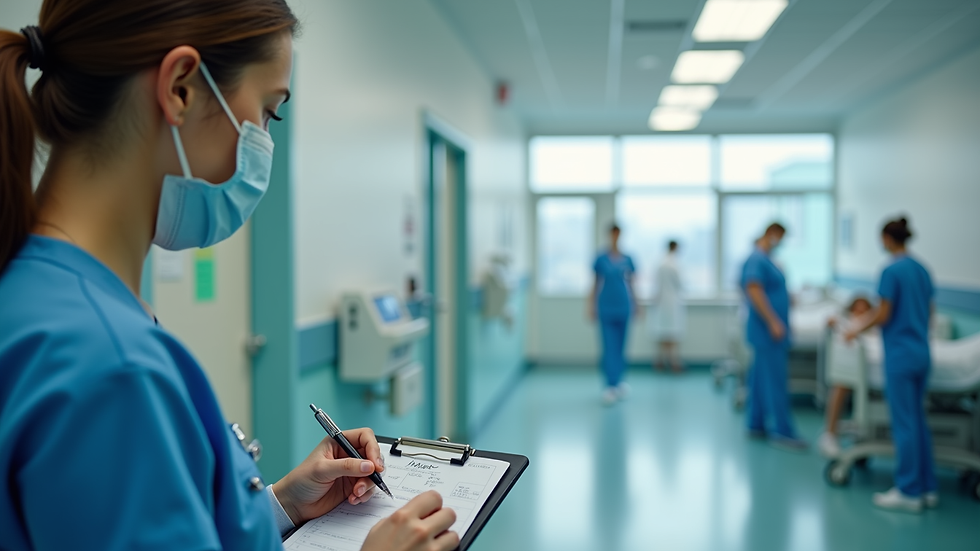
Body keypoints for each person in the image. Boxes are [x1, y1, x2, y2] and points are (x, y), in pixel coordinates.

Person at [0, 3, 458, 550]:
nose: (265, 139)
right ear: (181, 88)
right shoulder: (110, 367)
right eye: (268, 112)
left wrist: (282, 503)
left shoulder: (38, 295)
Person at [845, 217, 937, 513]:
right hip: (922, 352)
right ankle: (927, 488)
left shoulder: (890, 270)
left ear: (887, 238)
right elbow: (930, 313)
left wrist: (856, 328)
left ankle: (909, 491)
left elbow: (883, 314)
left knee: (905, 424)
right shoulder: (922, 269)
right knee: (919, 422)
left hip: (900, 355)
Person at [740, 223, 807, 451]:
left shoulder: (765, 259)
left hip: (767, 331)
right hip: (767, 331)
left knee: (759, 379)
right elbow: (754, 290)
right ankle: (782, 430)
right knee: (775, 381)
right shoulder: (758, 259)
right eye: (780, 237)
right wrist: (773, 321)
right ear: (771, 234)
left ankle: (756, 424)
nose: (781, 242)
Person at [818, 296, 874, 458]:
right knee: (840, 385)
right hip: (850, 364)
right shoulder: (845, 321)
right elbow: (832, 323)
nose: (860, 311)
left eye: (864, 308)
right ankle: (830, 434)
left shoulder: (873, 324)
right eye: (857, 307)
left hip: (868, 365)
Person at [588, 224, 638, 405]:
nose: (615, 237)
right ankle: (609, 385)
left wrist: (637, 304)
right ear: (609, 235)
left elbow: (632, 284)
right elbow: (595, 283)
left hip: (624, 306)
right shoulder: (601, 258)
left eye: (618, 234)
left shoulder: (628, 259)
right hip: (605, 307)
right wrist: (590, 306)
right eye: (612, 234)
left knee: (621, 346)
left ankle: (618, 382)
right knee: (609, 347)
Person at [650, 240, 685, 373]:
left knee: (663, 333)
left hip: (661, 302)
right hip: (673, 302)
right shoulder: (675, 265)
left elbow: (656, 285)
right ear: (675, 248)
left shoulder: (660, 263)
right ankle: (674, 363)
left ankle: (660, 362)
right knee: (673, 334)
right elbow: (680, 284)